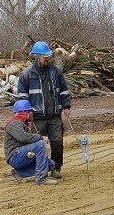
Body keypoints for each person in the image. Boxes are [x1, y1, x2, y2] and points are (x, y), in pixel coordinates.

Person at [15, 41, 72, 176]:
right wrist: (25, 114)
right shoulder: (26, 75)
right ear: (36, 56)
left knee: (57, 142)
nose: (47, 60)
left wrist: (66, 106)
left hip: (54, 115)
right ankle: (37, 169)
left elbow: (64, 90)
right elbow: (22, 97)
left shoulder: (55, 72)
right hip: (36, 117)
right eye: (44, 57)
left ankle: (56, 167)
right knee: (37, 145)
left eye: (48, 57)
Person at [4, 99, 58, 185]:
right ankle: (41, 178)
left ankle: (19, 173)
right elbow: (23, 137)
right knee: (40, 144)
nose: (32, 114)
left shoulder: (21, 123)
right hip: (15, 156)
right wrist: (40, 137)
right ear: (25, 112)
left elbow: (28, 139)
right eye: (30, 111)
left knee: (50, 164)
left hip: (21, 154)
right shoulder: (15, 124)